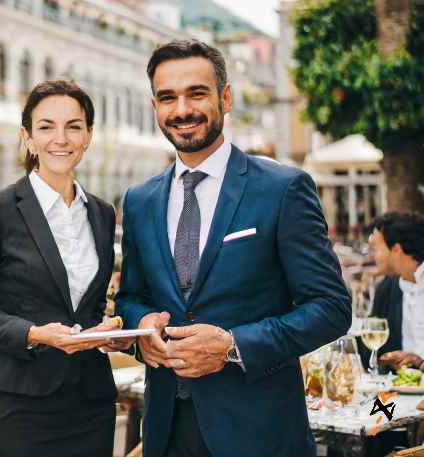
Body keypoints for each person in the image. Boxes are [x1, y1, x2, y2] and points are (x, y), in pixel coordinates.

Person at [115, 40, 351, 457]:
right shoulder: (139, 200)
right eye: (168, 97)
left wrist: (231, 346)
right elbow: (132, 296)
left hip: (259, 432)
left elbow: (330, 307)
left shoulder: (282, 189)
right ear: (155, 106)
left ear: (225, 98)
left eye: (197, 93)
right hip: (166, 430)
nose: (182, 109)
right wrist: (143, 325)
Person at [0, 79, 127, 457]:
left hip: (91, 403)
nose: (60, 138)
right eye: (46, 127)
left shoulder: (101, 213)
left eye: (73, 126)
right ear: (28, 138)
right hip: (22, 405)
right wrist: (34, 333)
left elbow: (92, 305)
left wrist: (112, 328)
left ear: (88, 136)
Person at [364, 212, 424, 371]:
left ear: (396, 249)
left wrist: (420, 362)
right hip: (398, 392)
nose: (373, 256)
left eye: (376, 249)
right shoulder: (386, 289)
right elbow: (371, 355)